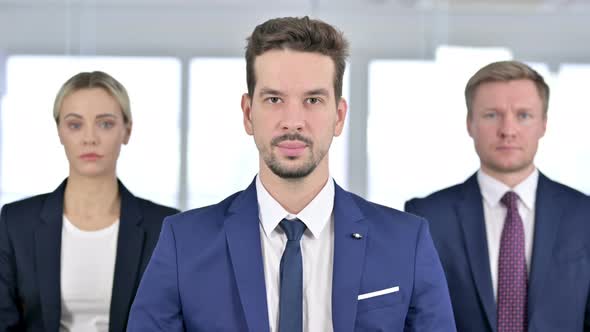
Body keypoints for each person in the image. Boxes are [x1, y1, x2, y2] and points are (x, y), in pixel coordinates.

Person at [127, 16, 456, 332]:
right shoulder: (183, 243)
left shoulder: (406, 243)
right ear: (247, 113)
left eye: (313, 99)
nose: (293, 120)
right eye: (274, 99)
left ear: (339, 116)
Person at [405, 60, 590, 331]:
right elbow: (415, 320)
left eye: (524, 115)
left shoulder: (584, 215)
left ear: (544, 124)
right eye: (492, 115)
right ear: (470, 123)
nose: (508, 130)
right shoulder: (426, 217)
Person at [0, 71, 179, 331]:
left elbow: (173, 321)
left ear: (127, 131)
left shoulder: (166, 226)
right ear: (59, 132)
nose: (90, 138)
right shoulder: (15, 223)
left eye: (105, 124)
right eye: (75, 125)